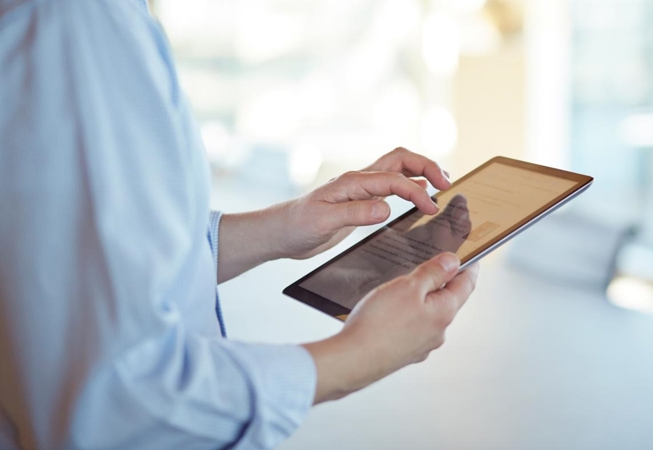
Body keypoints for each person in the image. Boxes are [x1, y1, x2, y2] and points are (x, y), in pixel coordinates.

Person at [0, 0, 480, 449]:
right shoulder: (75, 24)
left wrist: (281, 228)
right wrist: (359, 355)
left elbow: (66, 261)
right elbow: (117, 407)